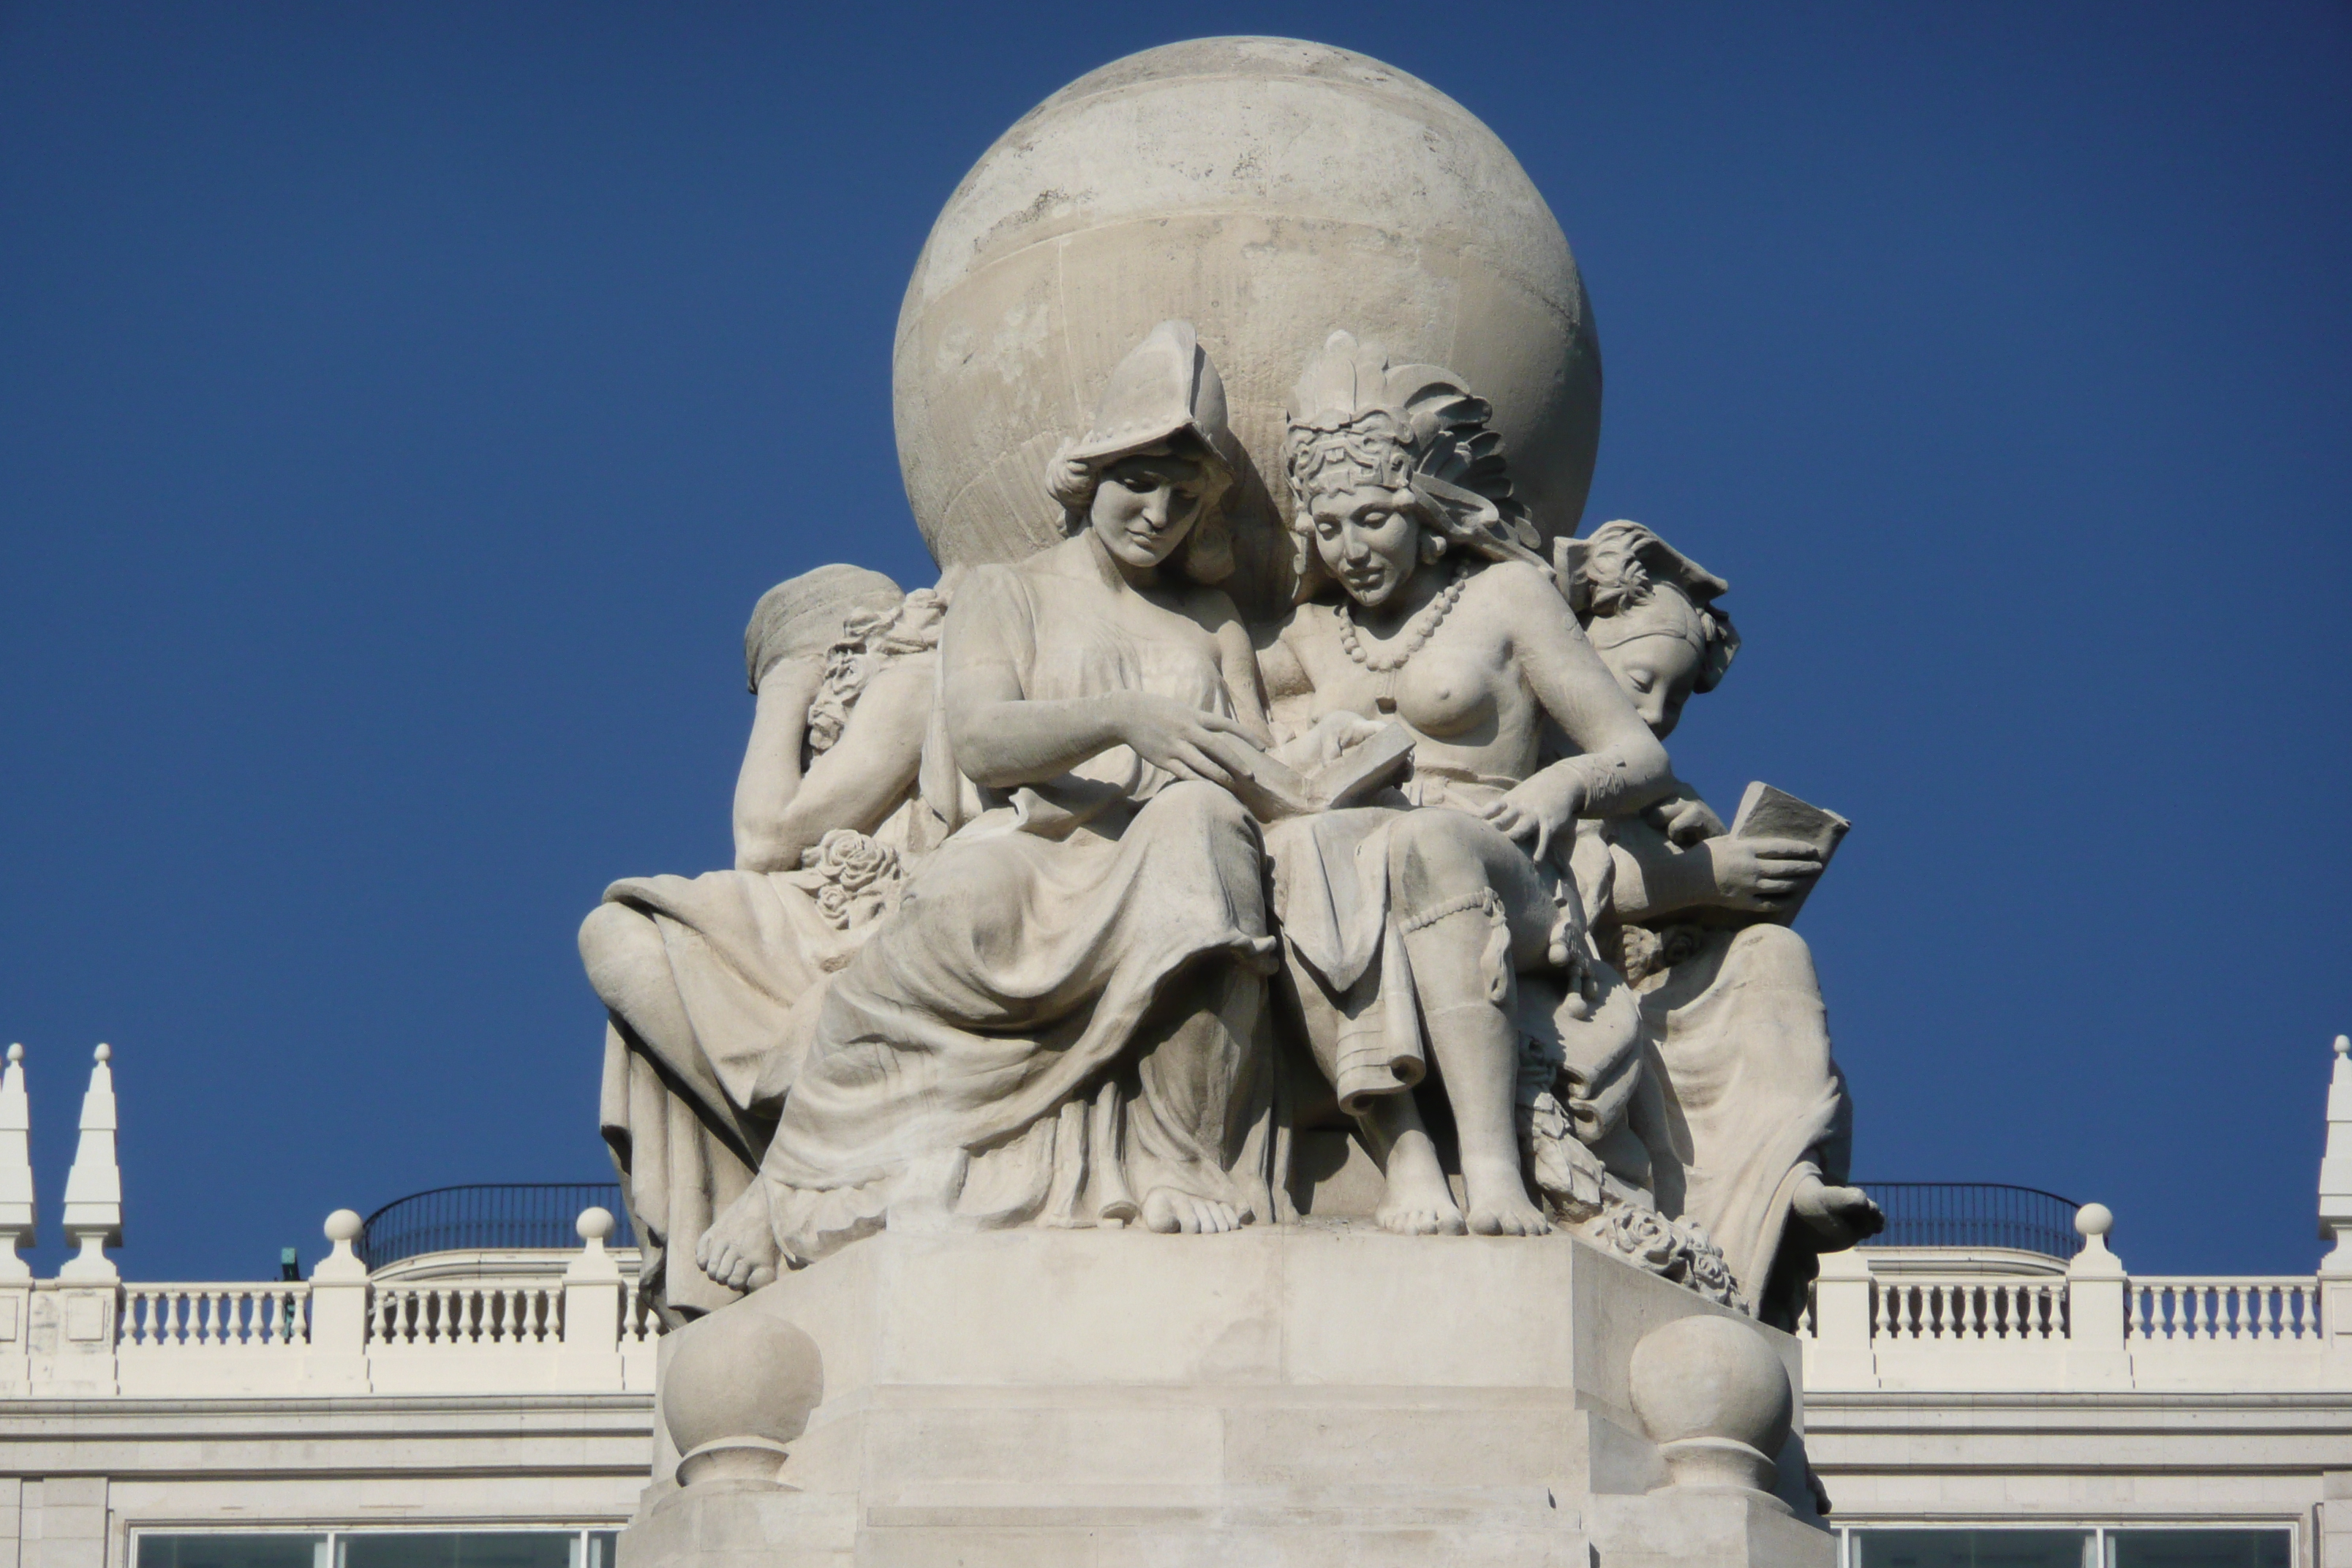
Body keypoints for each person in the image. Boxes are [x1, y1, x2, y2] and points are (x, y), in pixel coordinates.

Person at [695, 320, 1286, 1291]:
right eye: (1140, 484)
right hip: (1037, 841)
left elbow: (1253, 759)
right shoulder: (1007, 593)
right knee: (957, 905)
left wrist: (1321, 769)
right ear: (1091, 474)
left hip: (1173, 839)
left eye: (1184, 500)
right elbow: (980, 738)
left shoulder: (1211, 621)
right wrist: (1123, 719)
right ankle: (796, 1175)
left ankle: (1182, 1159)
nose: (1158, 516)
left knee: (1209, 837)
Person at [1256, 332, 1673, 1238]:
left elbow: (1640, 757)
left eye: (1373, 516)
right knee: (1291, 852)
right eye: (1329, 527)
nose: (1352, 547)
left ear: (1425, 503)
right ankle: (1402, 1142)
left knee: (1425, 841)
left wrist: (1561, 787)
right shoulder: (1308, 635)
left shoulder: (1505, 600)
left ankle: (1490, 1166)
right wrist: (1304, 746)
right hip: (1350, 854)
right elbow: (1233, 734)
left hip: (1502, 861)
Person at [578, 565, 947, 1318]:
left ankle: (793, 1165)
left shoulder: (912, 681)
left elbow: (765, 836)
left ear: (834, 658)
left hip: (886, 914)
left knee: (626, 931)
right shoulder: (876, 697)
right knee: (620, 937)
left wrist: (783, 690)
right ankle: (783, 1142)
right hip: (822, 906)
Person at [1567, 518, 1883, 1327]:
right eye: (1641, 679)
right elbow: (1562, 877)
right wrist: (1710, 875)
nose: (1659, 710)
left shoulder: (1660, 795)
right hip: (1566, 985)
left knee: (1775, 950)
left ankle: (1787, 1175)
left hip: (1659, 992)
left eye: (1676, 695)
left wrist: (1723, 882)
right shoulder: (1535, 755)